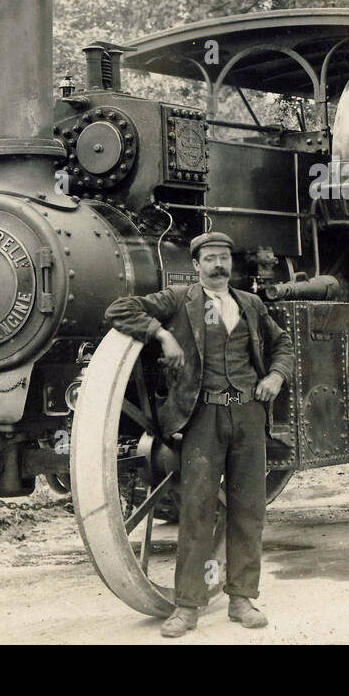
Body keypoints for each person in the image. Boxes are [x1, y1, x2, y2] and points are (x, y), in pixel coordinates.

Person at [104, 231, 293, 638]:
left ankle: (242, 599)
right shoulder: (178, 300)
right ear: (196, 266)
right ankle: (188, 607)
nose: (219, 265)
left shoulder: (252, 305)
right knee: (196, 510)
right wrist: (163, 334)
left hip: (247, 415)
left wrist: (276, 377)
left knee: (248, 509)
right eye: (210, 258)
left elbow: (284, 344)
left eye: (224, 257)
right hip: (202, 418)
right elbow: (120, 309)